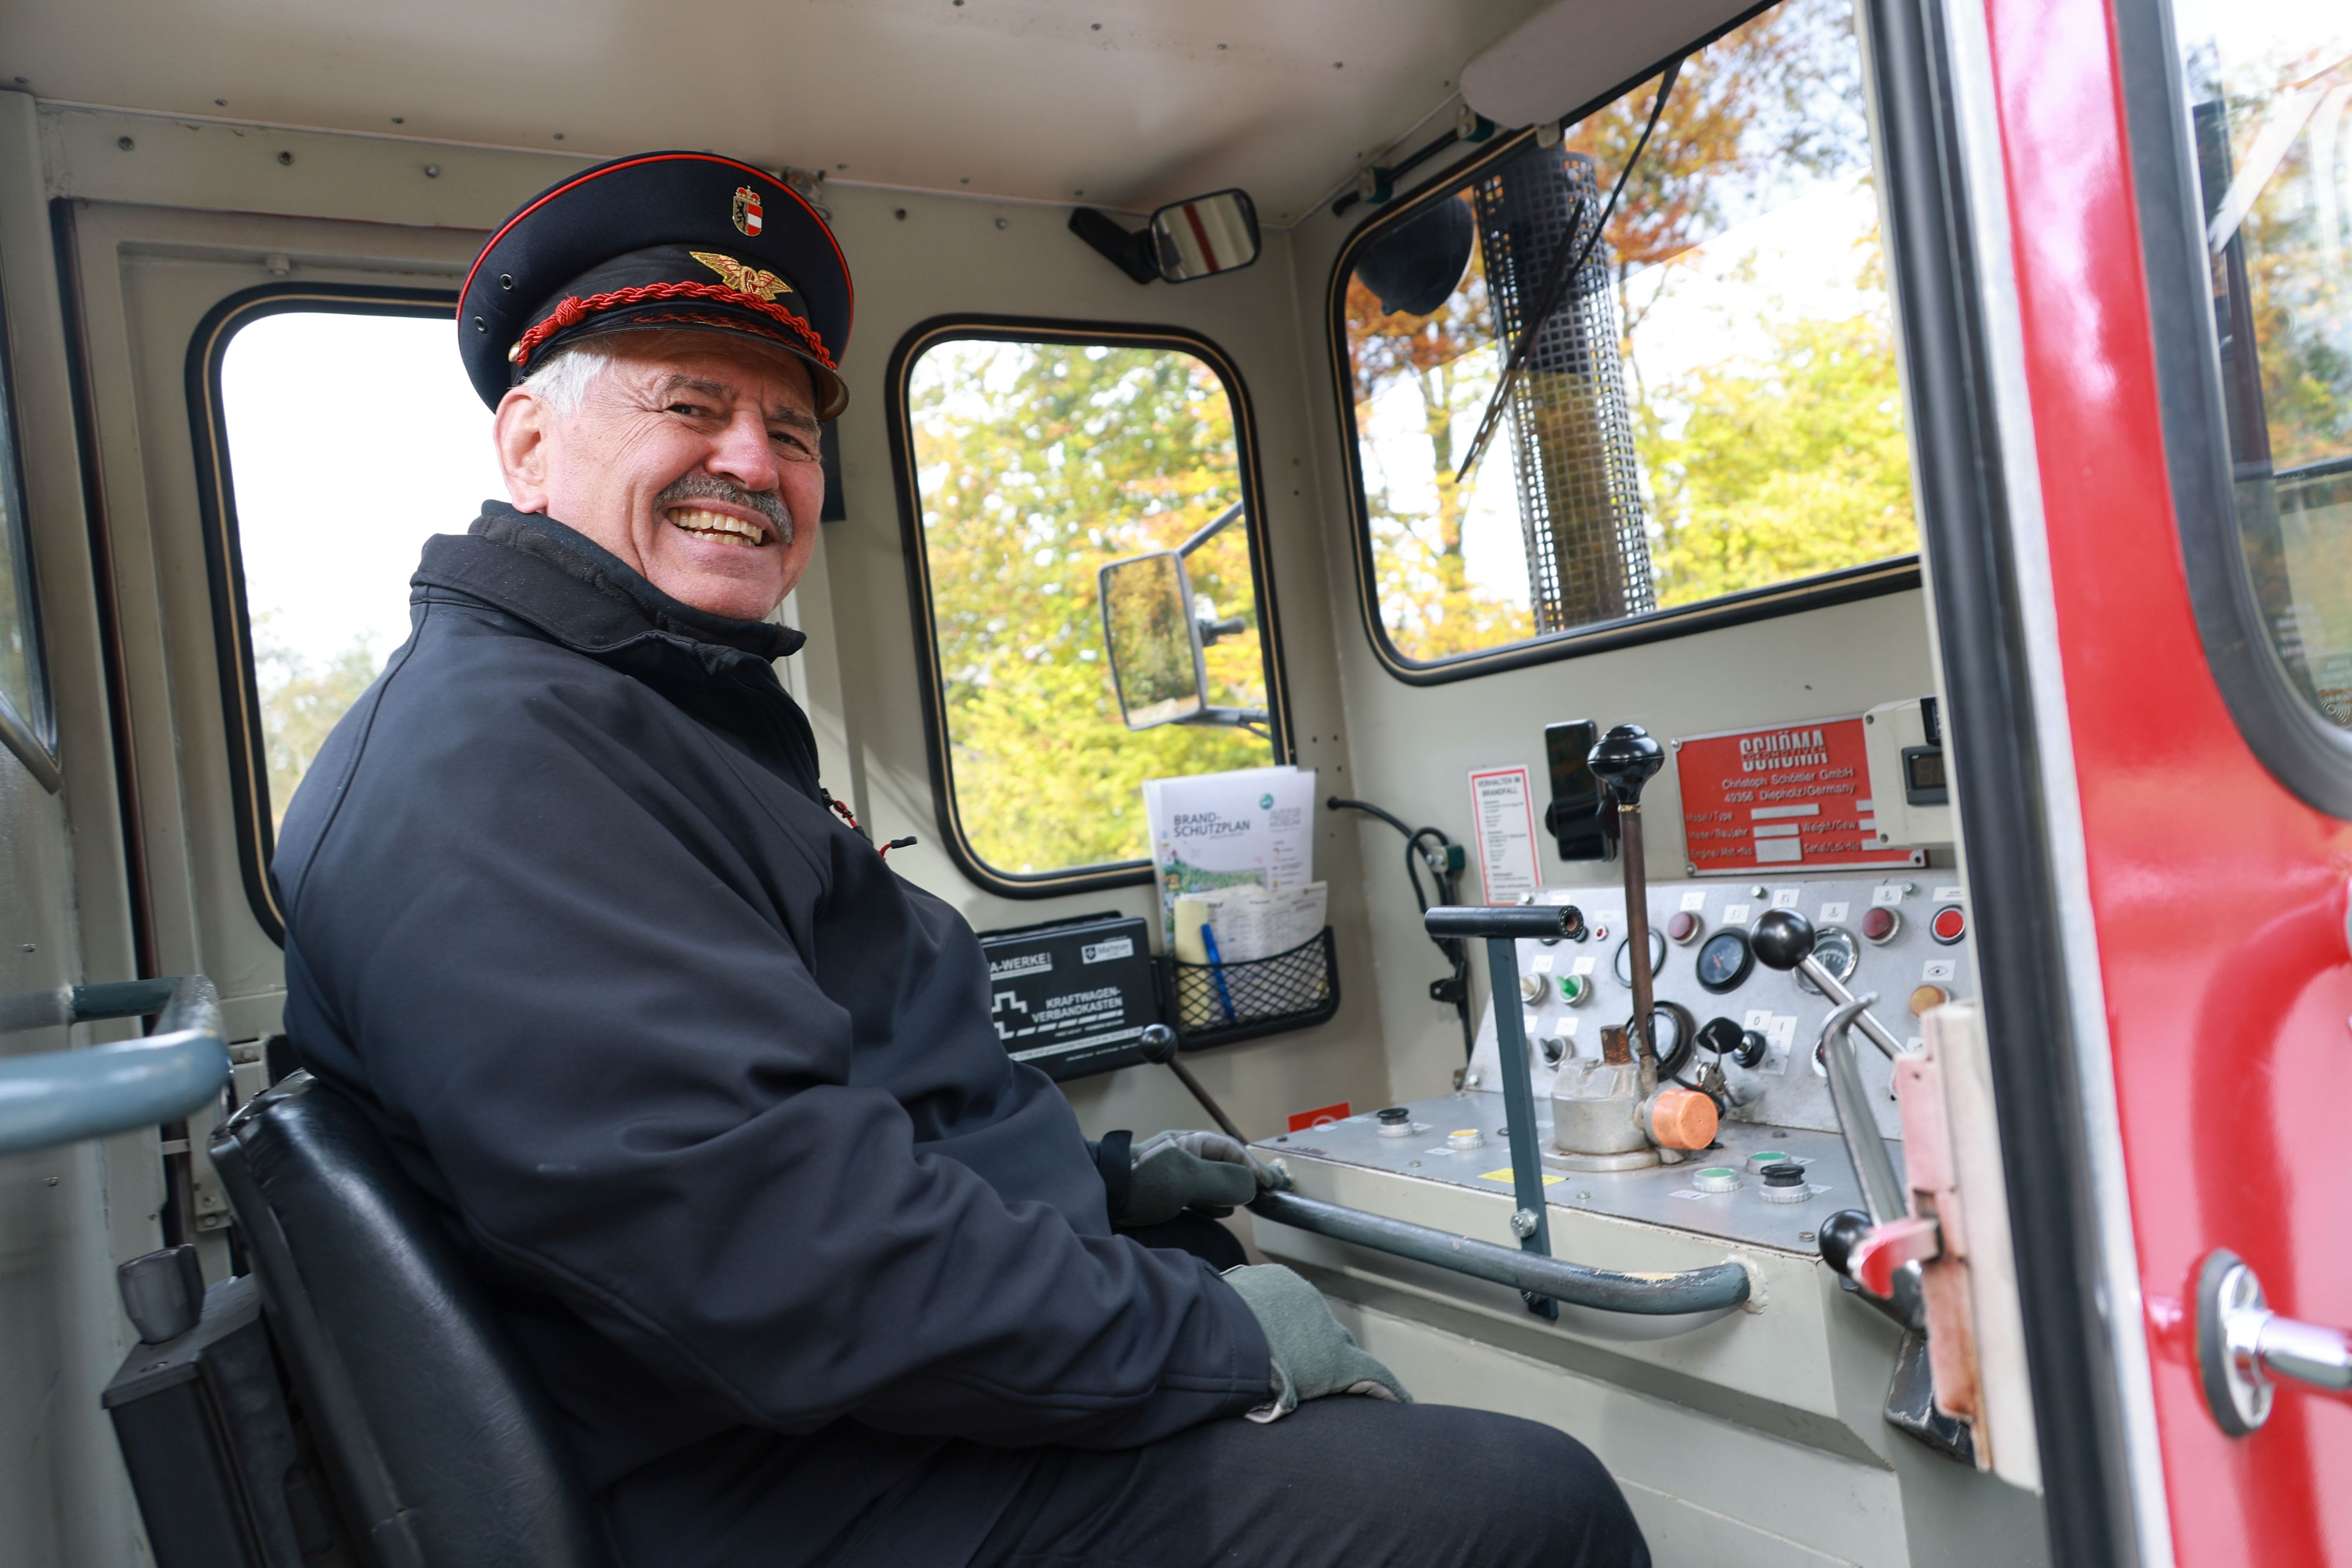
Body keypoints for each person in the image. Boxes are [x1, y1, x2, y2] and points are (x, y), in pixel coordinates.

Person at [273, 151, 1649, 1568]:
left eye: (790, 431)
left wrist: (1097, 1179)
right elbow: (785, 1260)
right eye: (689, 404)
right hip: (809, 1495)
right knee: (1529, 1505)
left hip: (846, 1434)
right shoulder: (502, 763)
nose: (751, 460)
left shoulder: (645, 714)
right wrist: (1216, 1338)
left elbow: (812, 1110)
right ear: (526, 446)